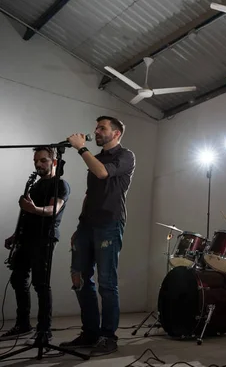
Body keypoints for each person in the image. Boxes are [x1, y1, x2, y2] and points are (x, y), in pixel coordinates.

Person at [60, 116, 135, 355]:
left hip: (109, 224)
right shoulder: (96, 159)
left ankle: (108, 336)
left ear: (116, 134)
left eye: (102, 128)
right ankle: (90, 332)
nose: (96, 131)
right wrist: (79, 227)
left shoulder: (126, 156)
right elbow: (90, 194)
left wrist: (81, 148)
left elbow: (103, 174)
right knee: (79, 279)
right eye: (97, 127)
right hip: (87, 226)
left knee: (107, 283)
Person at [2, 147, 70, 343]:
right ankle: (23, 324)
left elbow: (53, 209)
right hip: (27, 238)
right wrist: (16, 234)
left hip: (45, 238)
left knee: (41, 284)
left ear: (54, 162)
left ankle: (44, 330)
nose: (38, 164)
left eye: (43, 160)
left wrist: (32, 208)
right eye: (36, 161)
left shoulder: (60, 185)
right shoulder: (35, 185)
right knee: (17, 279)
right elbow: (27, 215)